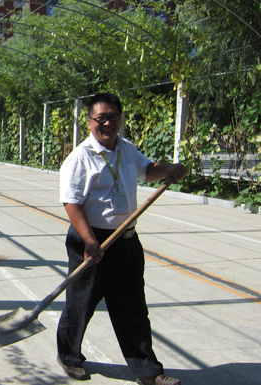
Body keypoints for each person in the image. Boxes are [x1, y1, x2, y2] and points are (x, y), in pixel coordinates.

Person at [56, 93, 186, 385]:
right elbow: (72, 203)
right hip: (93, 240)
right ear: (89, 122)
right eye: (101, 118)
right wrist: (90, 241)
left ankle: (148, 371)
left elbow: (147, 170)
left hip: (126, 241)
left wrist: (167, 169)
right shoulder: (80, 158)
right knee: (81, 305)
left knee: (133, 308)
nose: (107, 123)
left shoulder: (127, 149)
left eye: (113, 116)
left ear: (120, 119)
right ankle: (69, 356)